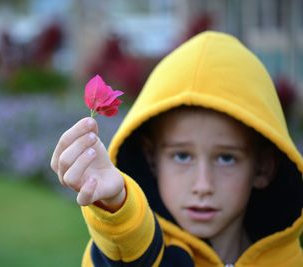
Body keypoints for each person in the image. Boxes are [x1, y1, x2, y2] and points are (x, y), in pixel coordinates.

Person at [50, 31, 303, 266]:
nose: (203, 185)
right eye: (182, 156)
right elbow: (128, 251)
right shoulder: (152, 256)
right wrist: (117, 207)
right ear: (151, 159)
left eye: (226, 158)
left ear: (263, 167)